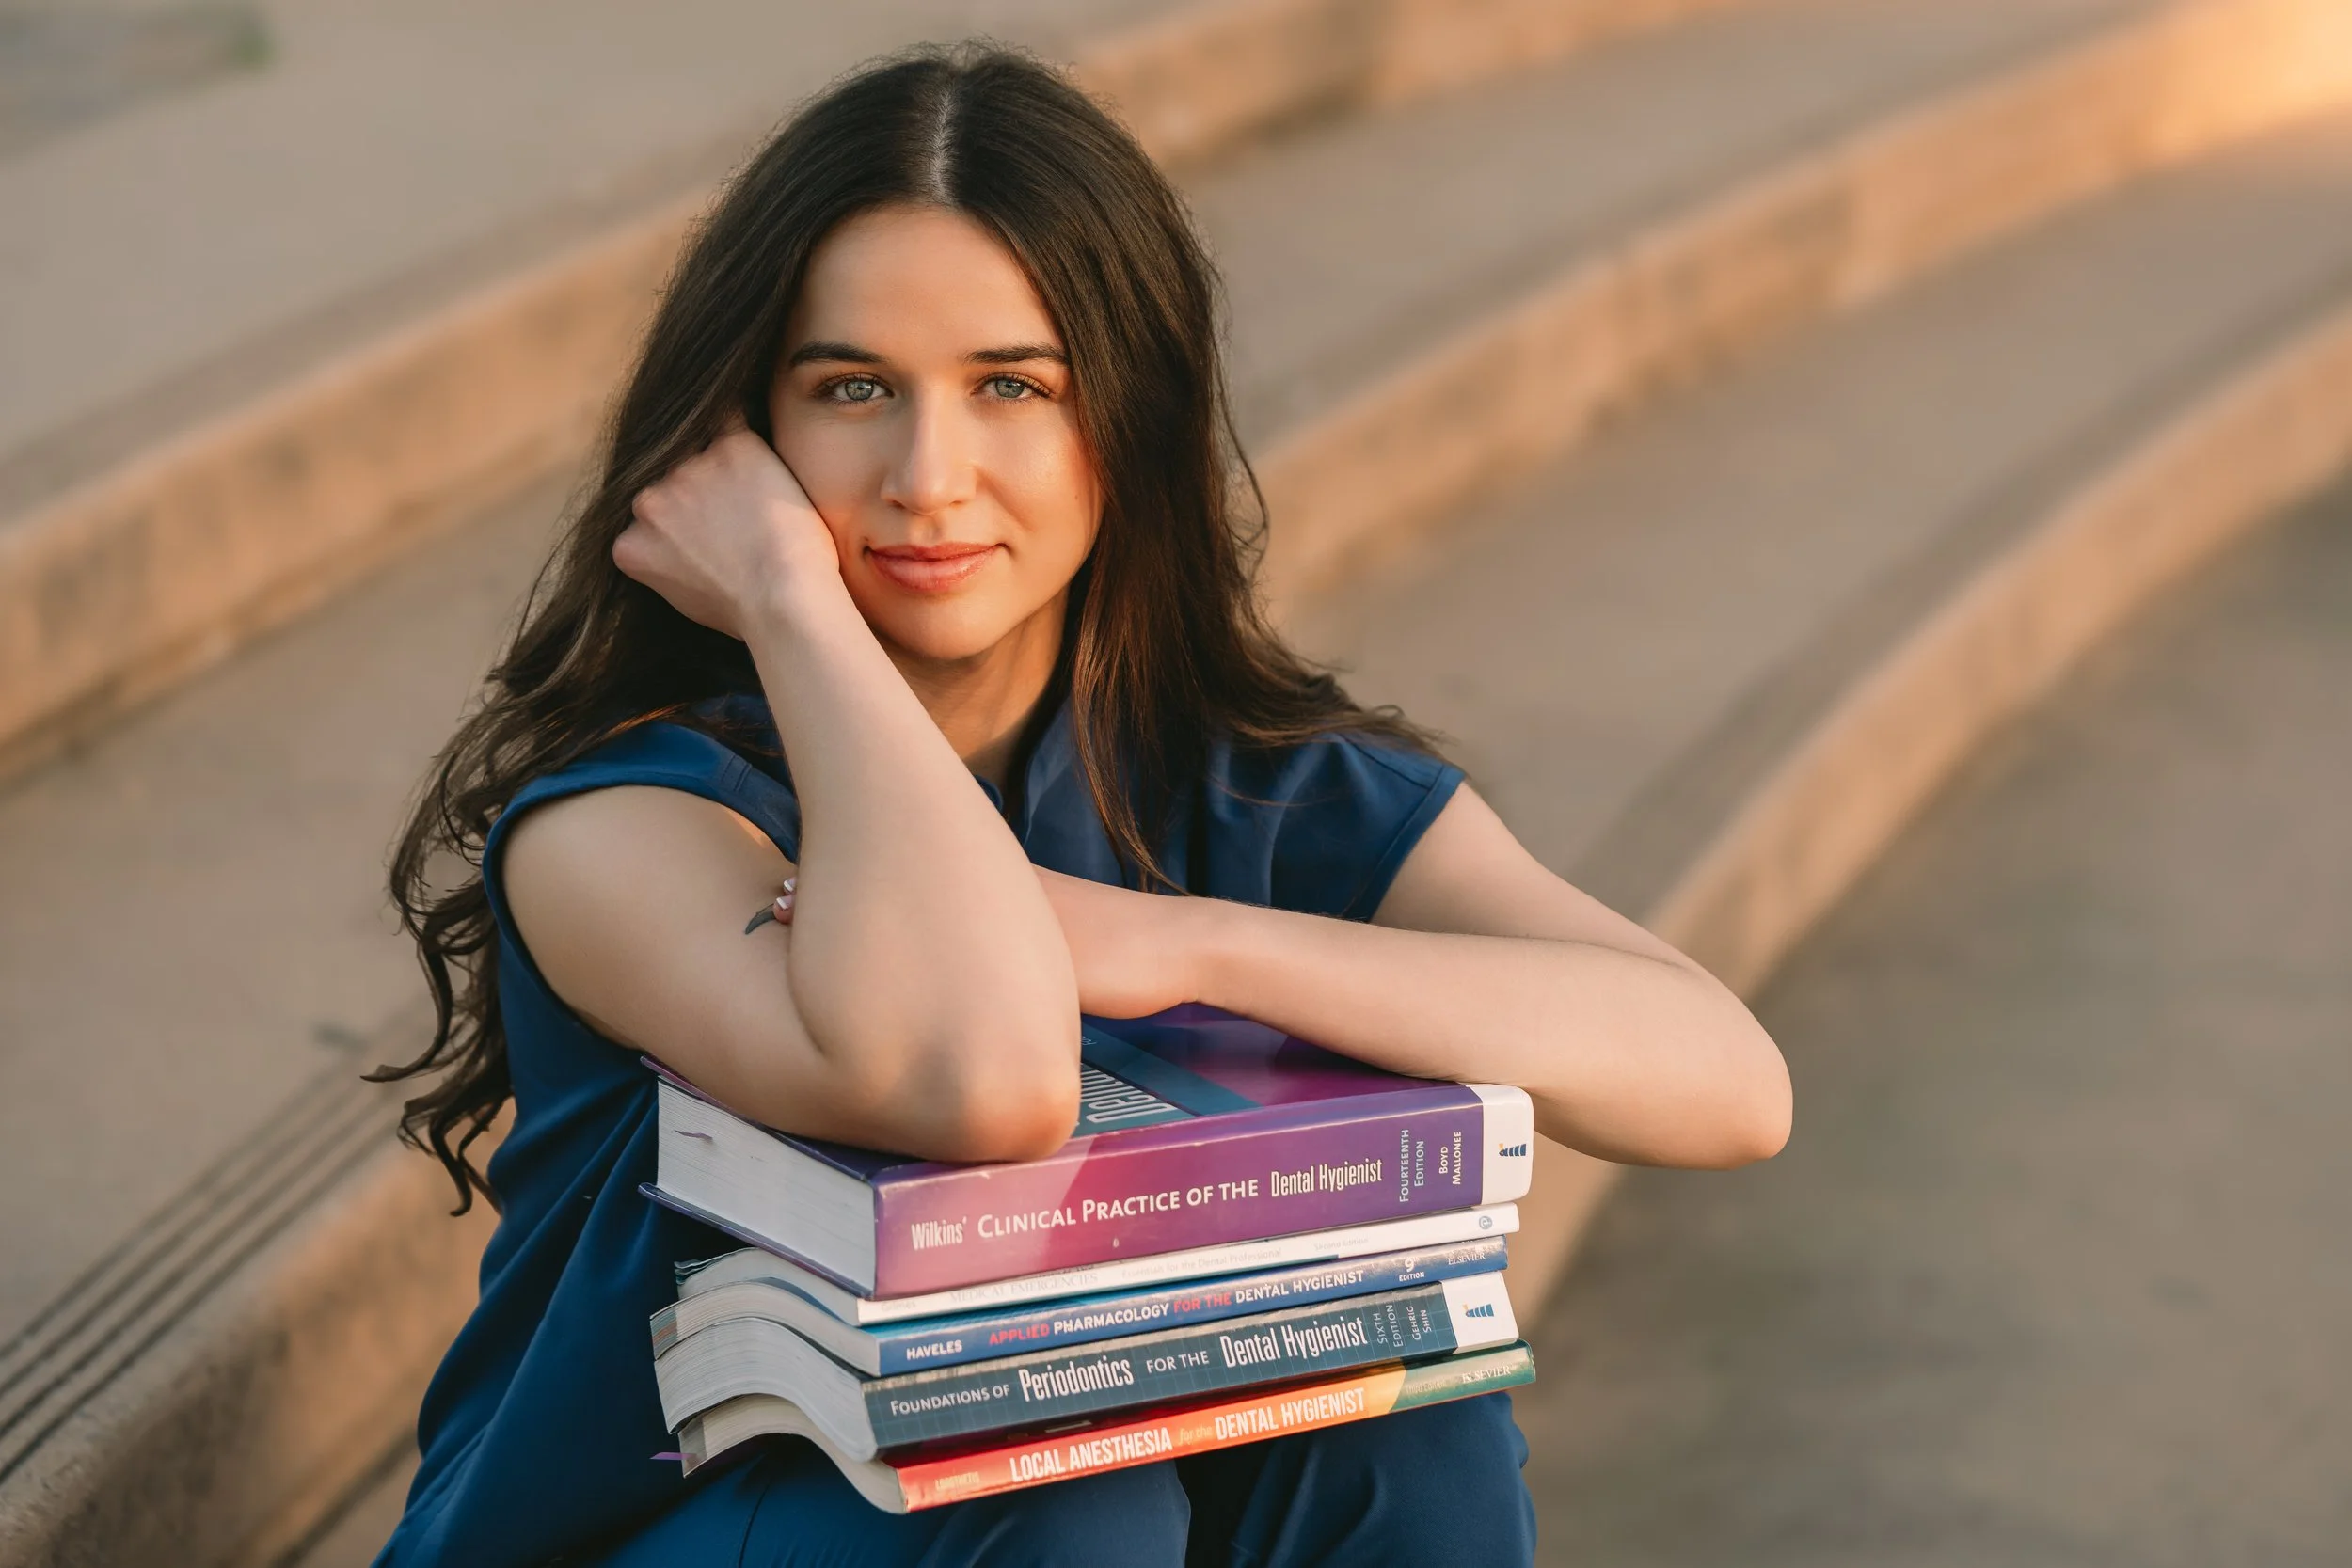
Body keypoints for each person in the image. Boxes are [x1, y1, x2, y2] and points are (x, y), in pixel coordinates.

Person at [368, 42, 1790, 1568]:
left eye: (1011, 387)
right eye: (852, 388)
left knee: (1401, 1412)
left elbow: (1723, 1082)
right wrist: (795, 604)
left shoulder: (1233, 782)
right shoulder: (635, 816)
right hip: (659, 1522)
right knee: (1050, 1474)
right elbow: (981, 1085)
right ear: (744, 435)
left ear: (1128, 421)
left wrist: (1193, 945)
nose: (930, 474)